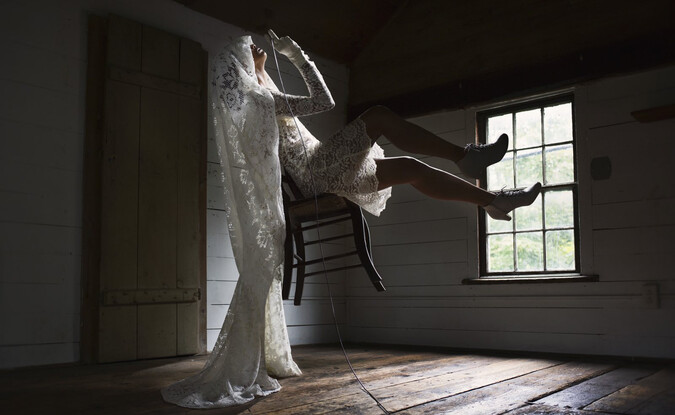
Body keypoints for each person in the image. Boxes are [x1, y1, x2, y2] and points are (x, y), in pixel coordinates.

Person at [258, 31, 541, 221]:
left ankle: (493, 201)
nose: (253, 48)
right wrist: (295, 55)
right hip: (317, 170)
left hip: (320, 166)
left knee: (410, 167)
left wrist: (266, 68)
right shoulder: (262, 99)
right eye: (245, 53)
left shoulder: (265, 91)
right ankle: (466, 158)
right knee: (379, 116)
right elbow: (324, 101)